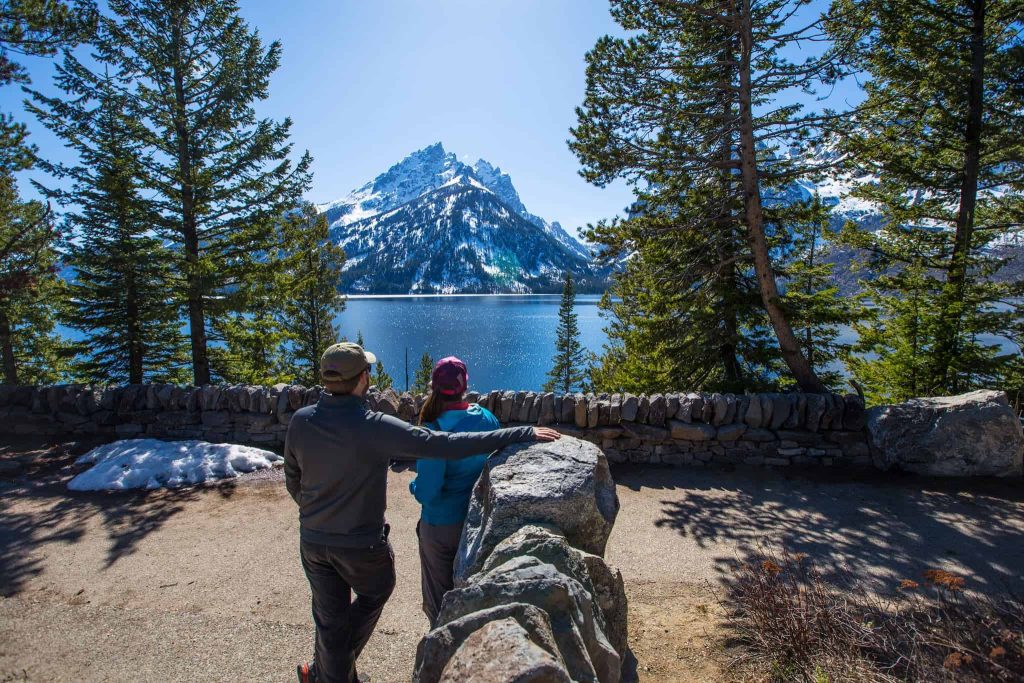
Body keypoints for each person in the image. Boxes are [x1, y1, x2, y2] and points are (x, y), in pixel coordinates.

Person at [284, 342, 560, 683]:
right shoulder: (374, 426)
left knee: (330, 619)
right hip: (359, 544)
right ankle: (332, 672)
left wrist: (318, 514)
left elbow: (293, 480)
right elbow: (443, 445)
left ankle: (329, 672)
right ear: (363, 379)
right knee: (374, 591)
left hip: (313, 540)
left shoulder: (300, 421)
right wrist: (522, 431)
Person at [409, 356, 495, 626]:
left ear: (434, 387)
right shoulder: (487, 419)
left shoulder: (433, 433)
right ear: (465, 386)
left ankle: (439, 646)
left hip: (441, 525)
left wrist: (414, 486)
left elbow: (428, 492)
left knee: (439, 598)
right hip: (477, 519)